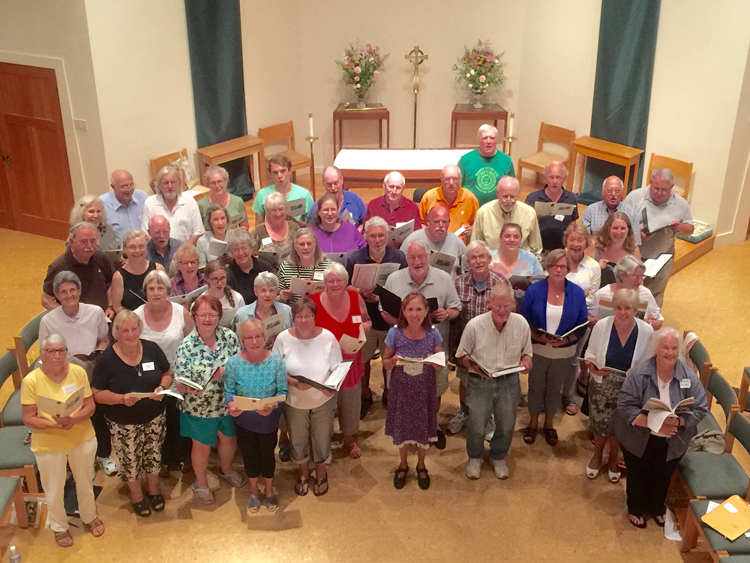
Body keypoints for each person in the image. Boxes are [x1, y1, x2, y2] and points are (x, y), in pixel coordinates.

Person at [612, 327, 708, 528]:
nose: (670, 352)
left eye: (674, 348)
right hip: (638, 436)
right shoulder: (639, 374)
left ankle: (656, 507)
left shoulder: (688, 376)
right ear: (656, 349)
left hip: (674, 438)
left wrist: (680, 422)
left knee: (663, 474)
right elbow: (624, 405)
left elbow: (701, 407)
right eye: (665, 347)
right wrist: (653, 422)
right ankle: (636, 508)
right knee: (638, 474)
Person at [20, 334, 104, 548]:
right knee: (54, 488)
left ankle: (89, 516)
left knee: (85, 481)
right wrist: (53, 424)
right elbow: (28, 417)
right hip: (49, 441)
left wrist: (73, 419)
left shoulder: (77, 372)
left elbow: (90, 406)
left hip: (80, 435)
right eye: (51, 351)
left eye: (61, 350)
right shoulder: (31, 381)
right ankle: (59, 526)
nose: (57, 355)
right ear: (41, 354)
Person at [91, 311, 172, 517]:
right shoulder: (107, 360)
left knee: (154, 455)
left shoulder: (151, 349)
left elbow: (167, 373)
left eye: (134, 328)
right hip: (123, 422)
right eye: (124, 330)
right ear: (116, 332)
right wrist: (120, 399)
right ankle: (136, 496)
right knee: (130, 460)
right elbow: (97, 393)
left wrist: (161, 388)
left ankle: (153, 491)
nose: (130, 334)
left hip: (154, 417)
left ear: (140, 329)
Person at [384, 241, 461, 449]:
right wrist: (401, 323)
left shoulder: (444, 279)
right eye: (412, 258)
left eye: (421, 257)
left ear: (429, 257)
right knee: (405, 392)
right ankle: (407, 428)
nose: (417, 262)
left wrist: (446, 313)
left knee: (434, 389)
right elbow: (385, 312)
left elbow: (455, 308)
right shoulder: (393, 279)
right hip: (404, 346)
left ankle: (431, 426)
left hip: (434, 344)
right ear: (406, 259)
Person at [37, 272, 115, 476]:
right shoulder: (48, 321)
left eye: (73, 290)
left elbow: (104, 339)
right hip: (66, 377)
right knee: (73, 417)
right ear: (56, 296)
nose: (69, 295)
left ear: (79, 291)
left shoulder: (96, 312)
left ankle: (104, 455)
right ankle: (83, 459)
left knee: (98, 414)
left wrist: (98, 350)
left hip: (94, 370)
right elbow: (44, 352)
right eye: (63, 292)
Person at [456, 284, 533, 480]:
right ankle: (475, 457)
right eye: (497, 306)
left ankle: (498, 456)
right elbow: (462, 355)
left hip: (509, 381)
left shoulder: (521, 323)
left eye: (507, 305)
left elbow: (527, 352)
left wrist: (526, 361)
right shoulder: (474, 325)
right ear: (488, 303)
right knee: (476, 424)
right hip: (480, 380)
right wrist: (473, 366)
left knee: (506, 424)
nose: (502, 311)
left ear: (513, 304)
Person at [174, 295, 245, 504]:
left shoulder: (229, 337)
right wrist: (187, 387)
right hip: (199, 407)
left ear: (219, 316)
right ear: (194, 316)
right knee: (202, 445)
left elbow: (242, 363)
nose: (207, 319)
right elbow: (179, 380)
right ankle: (201, 482)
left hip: (228, 402)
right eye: (202, 314)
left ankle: (226, 469)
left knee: (228, 438)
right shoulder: (186, 346)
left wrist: (226, 370)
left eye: (212, 314)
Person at [272, 299, 342, 497]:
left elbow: (338, 367)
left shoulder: (327, 337)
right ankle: (303, 473)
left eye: (308, 316)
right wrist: (294, 383)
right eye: (299, 316)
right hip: (295, 401)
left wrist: (332, 387)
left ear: (314, 317)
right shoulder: (283, 338)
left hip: (322, 399)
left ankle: (321, 472)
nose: (304, 320)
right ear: (292, 318)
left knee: (322, 437)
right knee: (298, 438)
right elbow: (276, 369)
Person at [583, 289, 653, 483]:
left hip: (629, 389)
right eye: (619, 308)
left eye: (628, 308)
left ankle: (613, 460)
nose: (623, 313)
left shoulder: (646, 331)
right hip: (601, 385)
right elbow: (590, 351)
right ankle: (597, 456)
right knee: (600, 426)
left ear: (636, 309)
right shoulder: (602, 326)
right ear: (613, 308)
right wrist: (592, 366)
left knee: (620, 427)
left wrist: (637, 372)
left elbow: (649, 362)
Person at [520, 249, 588, 446]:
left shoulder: (576, 292)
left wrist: (566, 341)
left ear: (568, 269)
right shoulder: (534, 290)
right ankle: (532, 422)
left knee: (554, 389)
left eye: (562, 266)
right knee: (535, 387)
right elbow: (523, 322)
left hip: (564, 352)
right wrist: (541, 337)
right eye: (554, 266)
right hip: (538, 349)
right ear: (547, 267)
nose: (558, 270)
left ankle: (549, 423)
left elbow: (582, 324)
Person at [344, 217, 408, 416]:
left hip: (391, 318)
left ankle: (390, 393)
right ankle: (365, 395)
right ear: (366, 236)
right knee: (363, 360)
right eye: (373, 236)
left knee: (389, 359)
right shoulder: (354, 258)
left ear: (387, 236)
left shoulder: (398, 257)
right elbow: (345, 285)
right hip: (365, 318)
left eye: (381, 235)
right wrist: (359, 291)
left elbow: (406, 283)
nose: (377, 240)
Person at [381, 292, 443, 490]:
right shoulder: (395, 333)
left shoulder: (433, 333)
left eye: (419, 309)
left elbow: (440, 362)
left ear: (426, 312)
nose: (414, 314)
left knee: (422, 425)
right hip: (402, 389)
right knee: (403, 425)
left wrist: (434, 362)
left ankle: (422, 464)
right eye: (410, 309)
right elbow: (385, 362)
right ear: (403, 311)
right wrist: (392, 361)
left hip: (424, 389)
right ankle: (403, 463)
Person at [134, 270, 194, 475]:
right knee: (157, 420)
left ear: (168, 291)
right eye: (151, 288)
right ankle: (162, 458)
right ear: (145, 291)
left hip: (179, 376)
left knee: (179, 418)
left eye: (160, 288)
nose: (156, 293)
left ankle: (182, 456)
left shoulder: (181, 312)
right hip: (149, 379)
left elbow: (193, 344)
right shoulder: (137, 315)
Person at [309, 263, 371, 458]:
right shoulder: (314, 301)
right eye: (330, 280)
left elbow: (367, 319)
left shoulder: (355, 297)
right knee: (325, 403)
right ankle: (322, 438)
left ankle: (350, 438)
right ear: (324, 283)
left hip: (351, 358)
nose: (335, 284)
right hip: (324, 363)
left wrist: (366, 326)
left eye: (339, 280)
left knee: (351, 402)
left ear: (346, 281)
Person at [225, 319, 287, 512]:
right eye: (249, 338)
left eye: (258, 336)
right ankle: (253, 490)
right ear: (242, 340)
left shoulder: (276, 361)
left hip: (268, 420)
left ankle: (269, 489)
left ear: (265, 338)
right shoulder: (234, 362)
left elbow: (282, 391)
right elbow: (229, 390)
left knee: (267, 455)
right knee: (249, 455)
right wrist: (231, 404)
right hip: (244, 421)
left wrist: (273, 405)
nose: (254, 341)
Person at [448, 241, 509, 435]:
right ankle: (464, 412)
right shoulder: (457, 283)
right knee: (465, 380)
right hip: (465, 344)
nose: (478, 260)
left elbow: (507, 313)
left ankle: (487, 416)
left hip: (492, 344)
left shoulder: (501, 283)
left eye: (482, 256)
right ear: (467, 261)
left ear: (489, 259)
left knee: (489, 382)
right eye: (473, 257)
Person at [624, 168, 694, 306]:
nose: (659, 193)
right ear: (650, 183)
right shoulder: (635, 196)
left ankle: (650, 324)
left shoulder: (681, 204)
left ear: (672, 187)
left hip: (662, 257)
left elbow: (690, 229)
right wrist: (637, 233)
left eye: (664, 190)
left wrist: (682, 228)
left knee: (655, 293)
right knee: (629, 292)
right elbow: (620, 221)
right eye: (656, 188)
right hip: (634, 254)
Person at [561, 222, 601, 415]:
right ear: (566, 241)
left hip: (580, 320)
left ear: (587, 242)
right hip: (555, 317)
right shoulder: (558, 260)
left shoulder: (594, 267)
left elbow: (592, 297)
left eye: (580, 239)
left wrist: (577, 312)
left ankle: (567, 395)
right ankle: (549, 394)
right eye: (572, 239)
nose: (576, 243)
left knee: (573, 360)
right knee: (552, 360)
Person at [42, 222, 114, 316]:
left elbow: (111, 284)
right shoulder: (58, 267)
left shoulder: (101, 257)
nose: (89, 246)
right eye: (83, 242)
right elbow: (46, 300)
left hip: (103, 316)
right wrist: (68, 315)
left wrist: (110, 306)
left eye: (92, 241)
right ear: (72, 242)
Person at [471, 177, 542, 255]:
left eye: (512, 197)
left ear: (518, 193)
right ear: (497, 193)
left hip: (521, 263)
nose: (508, 201)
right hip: (492, 263)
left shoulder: (529, 213)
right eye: (505, 196)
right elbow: (475, 245)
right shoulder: (483, 212)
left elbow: (536, 248)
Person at [594, 255, 663, 329]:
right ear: (622, 275)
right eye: (635, 277)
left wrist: (646, 323)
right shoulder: (602, 294)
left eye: (642, 277)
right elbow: (590, 320)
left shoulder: (645, 294)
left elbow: (658, 322)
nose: (640, 282)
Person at [141, 165, 204, 245]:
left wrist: (182, 251)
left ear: (179, 183)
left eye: (173, 182)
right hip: (158, 253)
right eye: (165, 183)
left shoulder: (189, 202)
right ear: (159, 185)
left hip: (185, 252)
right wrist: (159, 249)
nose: (170, 186)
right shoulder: (150, 203)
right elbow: (145, 232)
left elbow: (198, 231)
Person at [524, 162, 579, 251]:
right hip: (538, 248)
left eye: (558, 178)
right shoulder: (533, 198)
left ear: (564, 179)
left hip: (561, 249)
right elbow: (525, 224)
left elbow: (573, 225)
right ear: (545, 178)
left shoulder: (571, 198)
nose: (554, 181)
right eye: (551, 177)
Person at [400, 206, 466, 278]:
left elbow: (466, 272)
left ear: (449, 223)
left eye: (444, 222)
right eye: (436, 221)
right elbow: (400, 271)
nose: (441, 225)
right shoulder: (412, 240)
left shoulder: (458, 243)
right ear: (428, 221)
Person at [458, 124, 515, 206]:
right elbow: (457, 187)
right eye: (484, 138)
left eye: (492, 138)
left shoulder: (506, 161)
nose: (488, 141)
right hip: (470, 207)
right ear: (479, 140)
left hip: (497, 209)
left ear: (496, 140)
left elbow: (512, 188)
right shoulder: (465, 160)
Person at [419, 164, 479, 237]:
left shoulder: (470, 198)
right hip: (433, 244)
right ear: (441, 179)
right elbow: (421, 223)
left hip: (461, 245)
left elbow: (477, 225)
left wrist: (471, 229)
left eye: (455, 179)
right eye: (447, 179)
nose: (451, 183)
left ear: (460, 179)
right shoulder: (429, 197)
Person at [111, 229, 163, 313]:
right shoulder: (118, 276)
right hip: (131, 322)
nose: (137, 250)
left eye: (141, 246)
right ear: (124, 249)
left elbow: (165, 298)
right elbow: (117, 307)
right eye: (132, 247)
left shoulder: (158, 269)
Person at [253, 154, 314, 223]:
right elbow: (259, 225)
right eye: (275, 173)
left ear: (290, 170)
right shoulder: (262, 195)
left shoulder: (304, 195)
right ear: (270, 174)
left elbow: (312, 224)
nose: (279, 176)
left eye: (282, 171)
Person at [277, 228, 332, 305]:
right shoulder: (286, 267)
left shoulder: (329, 266)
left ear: (315, 245)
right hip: (295, 312)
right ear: (295, 247)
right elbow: (276, 300)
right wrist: (281, 297)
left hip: (321, 309)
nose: (306, 247)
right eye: (302, 244)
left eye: (309, 244)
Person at [226, 228, 274, 305]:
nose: (241, 253)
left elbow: (273, 292)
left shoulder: (264, 267)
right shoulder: (228, 274)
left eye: (244, 248)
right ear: (231, 253)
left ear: (251, 248)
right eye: (236, 250)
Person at [100, 169, 148, 245]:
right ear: (113, 187)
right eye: (124, 186)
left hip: (144, 251)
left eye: (132, 185)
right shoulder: (103, 204)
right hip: (119, 255)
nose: (129, 189)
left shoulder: (142, 197)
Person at [592, 212, 641, 286]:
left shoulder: (634, 251)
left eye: (623, 228)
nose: (619, 232)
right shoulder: (594, 246)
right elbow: (583, 274)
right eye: (615, 228)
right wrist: (596, 267)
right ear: (608, 229)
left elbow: (638, 280)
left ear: (628, 230)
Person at [204, 260, 245, 326]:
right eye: (215, 279)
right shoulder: (201, 301)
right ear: (207, 279)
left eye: (222, 278)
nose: (219, 283)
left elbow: (243, 322)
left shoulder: (237, 297)